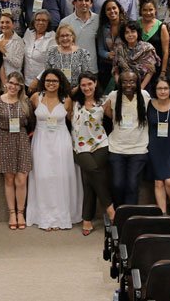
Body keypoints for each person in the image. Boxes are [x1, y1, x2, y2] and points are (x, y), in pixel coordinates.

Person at [27, 69, 82, 230]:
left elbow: (73, 120)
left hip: (61, 141)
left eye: (55, 81)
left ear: (60, 82)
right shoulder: (36, 97)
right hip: (41, 141)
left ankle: (59, 217)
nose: (51, 83)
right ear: (43, 81)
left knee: (60, 177)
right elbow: (29, 117)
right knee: (42, 177)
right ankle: (44, 216)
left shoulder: (67, 99)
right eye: (48, 80)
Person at [68, 72, 114, 236]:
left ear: (95, 83)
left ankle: (87, 219)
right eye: (83, 85)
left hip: (100, 144)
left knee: (89, 180)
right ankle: (110, 208)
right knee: (93, 173)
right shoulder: (74, 102)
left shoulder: (104, 101)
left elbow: (114, 118)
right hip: (80, 147)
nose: (87, 87)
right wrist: (75, 90)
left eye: (89, 84)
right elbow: (65, 95)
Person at [103, 70, 151, 207]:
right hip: (116, 148)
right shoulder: (113, 96)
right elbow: (107, 112)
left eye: (132, 82)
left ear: (137, 83)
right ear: (119, 83)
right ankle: (119, 213)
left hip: (138, 149)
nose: (128, 85)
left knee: (132, 185)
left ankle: (130, 215)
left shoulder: (144, 95)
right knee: (117, 184)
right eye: (124, 82)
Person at [0, 72, 34, 230]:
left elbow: (31, 122)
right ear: (6, 83)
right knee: (9, 179)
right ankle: (12, 213)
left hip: (21, 139)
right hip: (4, 139)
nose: (13, 86)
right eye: (11, 82)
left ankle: (20, 213)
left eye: (17, 84)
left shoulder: (26, 101)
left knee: (22, 179)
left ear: (21, 87)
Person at [147, 76, 170, 215]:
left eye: (165, 88)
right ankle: (163, 215)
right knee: (158, 182)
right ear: (155, 90)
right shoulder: (148, 103)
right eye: (159, 88)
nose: (162, 91)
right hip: (154, 146)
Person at [59, 0, 99, 72]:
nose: (83, 3)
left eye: (86, 0)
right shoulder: (65, 22)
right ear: (74, 3)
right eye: (80, 0)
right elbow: (60, 46)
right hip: (70, 68)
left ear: (91, 4)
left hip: (91, 68)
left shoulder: (98, 20)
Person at [113, 21, 159, 91]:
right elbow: (115, 70)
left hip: (143, 86)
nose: (130, 35)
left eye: (133, 31)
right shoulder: (119, 49)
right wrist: (120, 86)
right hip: (123, 86)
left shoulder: (146, 48)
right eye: (127, 32)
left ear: (138, 33)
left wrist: (141, 89)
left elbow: (150, 71)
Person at [138, 0, 170, 82]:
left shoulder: (161, 27)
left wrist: (163, 72)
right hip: (138, 69)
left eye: (150, 10)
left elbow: (165, 52)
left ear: (155, 10)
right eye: (145, 10)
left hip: (156, 69)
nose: (148, 13)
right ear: (140, 11)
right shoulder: (136, 25)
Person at [97, 0, 127, 90]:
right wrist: (108, 54)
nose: (112, 11)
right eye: (108, 9)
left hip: (126, 66)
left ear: (119, 9)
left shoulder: (127, 26)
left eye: (114, 8)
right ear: (105, 12)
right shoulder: (103, 28)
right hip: (107, 67)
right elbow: (100, 50)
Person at [23, 11, 56, 89]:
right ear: (34, 21)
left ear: (48, 23)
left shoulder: (52, 37)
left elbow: (52, 63)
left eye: (44, 20)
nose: (40, 22)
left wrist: (37, 80)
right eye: (38, 20)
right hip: (26, 80)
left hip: (42, 82)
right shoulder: (29, 32)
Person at [0, 10, 25, 77]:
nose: (4, 25)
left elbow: (18, 64)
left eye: (7, 22)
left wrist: (4, 51)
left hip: (13, 78)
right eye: (2, 22)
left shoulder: (19, 41)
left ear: (13, 24)